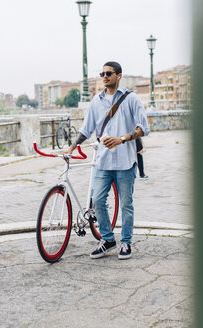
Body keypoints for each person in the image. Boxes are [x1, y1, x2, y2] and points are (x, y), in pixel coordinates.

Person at [65, 61, 150, 260]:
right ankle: (108, 239)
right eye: (102, 73)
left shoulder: (131, 99)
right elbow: (86, 130)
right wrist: (72, 146)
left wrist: (121, 139)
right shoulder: (96, 101)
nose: (105, 76)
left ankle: (126, 242)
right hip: (103, 162)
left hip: (125, 161)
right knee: (98, 201)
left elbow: (143, 128)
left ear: (119, 75)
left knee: (126, 204)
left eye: (109, 73)